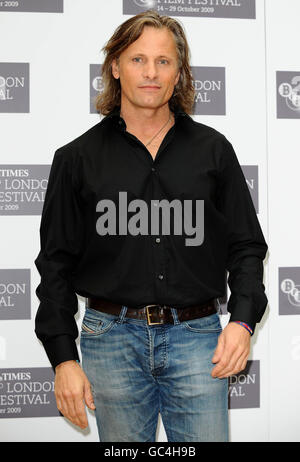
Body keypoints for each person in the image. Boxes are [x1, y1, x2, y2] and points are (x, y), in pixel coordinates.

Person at [34, 10, 268, 442]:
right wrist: (64, 359)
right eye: (138, 59)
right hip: (110, 341)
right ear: (115, 67)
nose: (150, 72)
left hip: (199, 341)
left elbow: (246, 245)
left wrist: (243, 321)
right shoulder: (76, 159)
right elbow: (55, 265)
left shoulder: (214, 152)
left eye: (163, 61)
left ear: (179, 74)